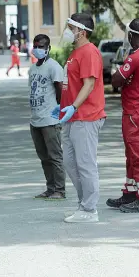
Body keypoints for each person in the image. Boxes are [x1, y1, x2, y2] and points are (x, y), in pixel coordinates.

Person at [52, 13, 106, 223]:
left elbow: (89, 84)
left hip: (86, 117)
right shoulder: (76, 52)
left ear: (81, 32)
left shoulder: (89, 52)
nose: (67, 31)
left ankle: (90, 209)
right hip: (71, 117)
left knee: (85, 163)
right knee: (70, 163)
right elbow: (71, 85)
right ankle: (83, 204)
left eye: (70, 27)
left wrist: (73, 107)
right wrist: (62, 107)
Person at [107, 19, 139, 213]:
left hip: (136, 113)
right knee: (133, 154)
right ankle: (131, 193)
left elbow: (116, 80)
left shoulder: (135, 57)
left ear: (130, 35)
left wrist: (122, 74)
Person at [29, 34, 65, 200]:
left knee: (55, 156)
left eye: (41, 46)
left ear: (48, 48)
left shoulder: (54, 67)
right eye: (36, 46)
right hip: (35, 119)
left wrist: (57, 111)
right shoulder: (33, 68)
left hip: (50, 120)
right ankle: (50, 188)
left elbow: (60, 91)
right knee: (44, 157)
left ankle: (60, 189)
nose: (38, 49)